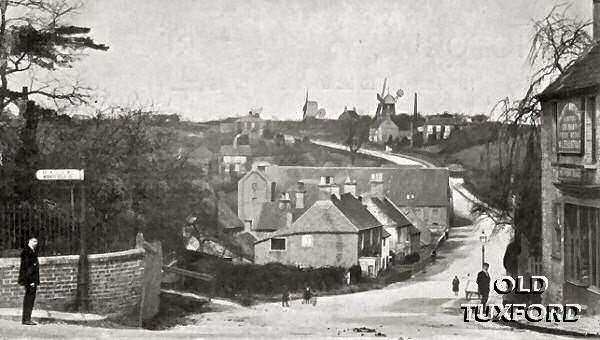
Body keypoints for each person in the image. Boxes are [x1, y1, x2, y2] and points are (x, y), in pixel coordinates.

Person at [18, 237, 39, 325]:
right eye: (34, 241)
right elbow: (28, 268)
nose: (36, 243)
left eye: (36, 241)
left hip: (31, 279)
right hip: (30, 280)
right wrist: (31, 281)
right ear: (29, 241)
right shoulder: (27, 252)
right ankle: (26, 319)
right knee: (29, 299)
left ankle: (27, 318)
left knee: (30, 298)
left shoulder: (32, 251)